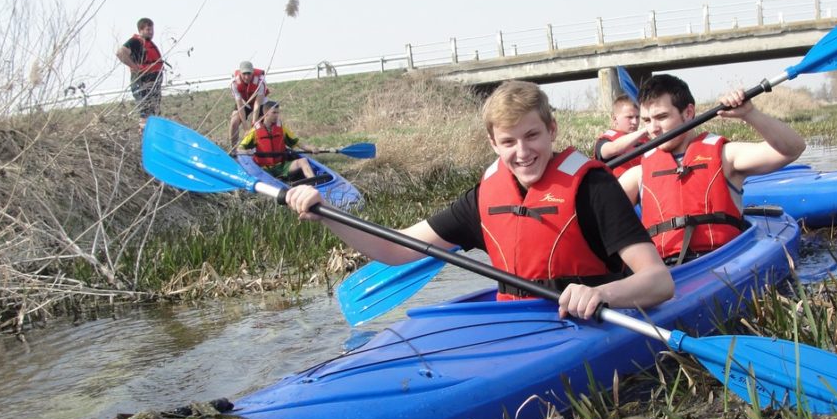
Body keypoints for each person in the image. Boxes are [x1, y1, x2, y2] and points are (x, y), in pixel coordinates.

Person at [285, 80, 674, 320]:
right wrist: (329, 215)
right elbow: (395, 249)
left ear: (551, 130)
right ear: (493, 143)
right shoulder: (484, 197)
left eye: (532, 135)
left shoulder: (594, 189)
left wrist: (599, 294)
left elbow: (659, 282)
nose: (522, 151)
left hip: (588, 321)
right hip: (513, 323)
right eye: (508, 141)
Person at [618, 74, 806, 264]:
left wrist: (749, 113)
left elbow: (792, 150)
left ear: (688, 113)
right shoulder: (638, 174)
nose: (653, 129)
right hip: (666, 274)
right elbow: (595, 215)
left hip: (723, 261)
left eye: (662, 117)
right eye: (647, 121)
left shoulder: (726, 156)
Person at [237, 100, 316, 181]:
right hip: (264, 169)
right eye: (274, 113)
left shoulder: (281, 129)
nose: (277, 115)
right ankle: (278, 181)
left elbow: (298, 143)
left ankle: (315, 183)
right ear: (266, 113)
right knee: (270, 178)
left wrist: (310, 148)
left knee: (303, 161)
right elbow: (240, 148)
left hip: (281, 166)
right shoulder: (255, 131)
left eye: (278, 113)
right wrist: (246, 152)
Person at [116, 17, 165, 127]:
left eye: (152, 29)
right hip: (142, 82)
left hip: (153, 84)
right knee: (145, 112)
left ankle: (152, 133)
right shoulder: (135, 42)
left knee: (153, 112)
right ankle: (143, 134)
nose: (151, 32)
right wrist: (135, 67)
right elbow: (120, 53)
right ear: (141, 30)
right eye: (148, 30)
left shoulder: (148, 44)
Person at [594, 94, 649, 177]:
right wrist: (644, 130)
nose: (635, 122)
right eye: (629, 117)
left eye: (637, 117)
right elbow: (613, 149)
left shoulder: (645, 138)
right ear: (615, 119)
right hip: (619, 187)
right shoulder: (604, 141)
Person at [229, 61, 269, 149]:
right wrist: (245, 127)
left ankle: (261, 148)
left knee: (260, 124)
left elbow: (257, 104)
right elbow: (240, 105)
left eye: (249, 73)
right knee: (234, 122)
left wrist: (253, 124)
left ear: (253, 72)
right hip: (244, 103)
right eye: (244, 74)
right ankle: (233, 149)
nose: (247, 77)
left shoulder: (260, 81)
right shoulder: (234, 83)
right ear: (240, 73)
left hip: (260, 102)